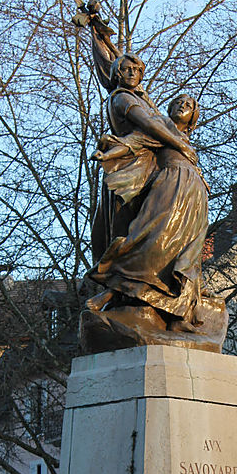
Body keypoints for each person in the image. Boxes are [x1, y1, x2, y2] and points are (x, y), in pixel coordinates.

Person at [87, 56, 209, 333]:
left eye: (188, 105)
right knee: (150, 240)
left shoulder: (185, 140)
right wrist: (108, 153)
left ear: (193, 118)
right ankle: (114, 290)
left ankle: (179, 312)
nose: (182, 106)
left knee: (187, 254)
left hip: (194, 195)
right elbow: (133, 141)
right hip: (169, 185)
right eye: (178, 102)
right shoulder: (162, 129)